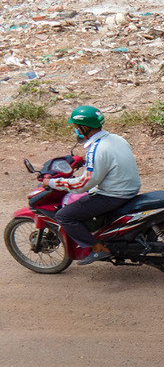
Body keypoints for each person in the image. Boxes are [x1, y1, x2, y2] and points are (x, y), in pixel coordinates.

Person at [43, 105, 142, 264]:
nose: (75, 130)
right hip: (130, 189)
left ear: (83, 127)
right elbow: (109, 159)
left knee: (64, 216)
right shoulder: (116, 139)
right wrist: (85, 159)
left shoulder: (97, 149)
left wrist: (53, 182)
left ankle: (97, 248)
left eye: (76, 127)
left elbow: (83, 184)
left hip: (113, 196)